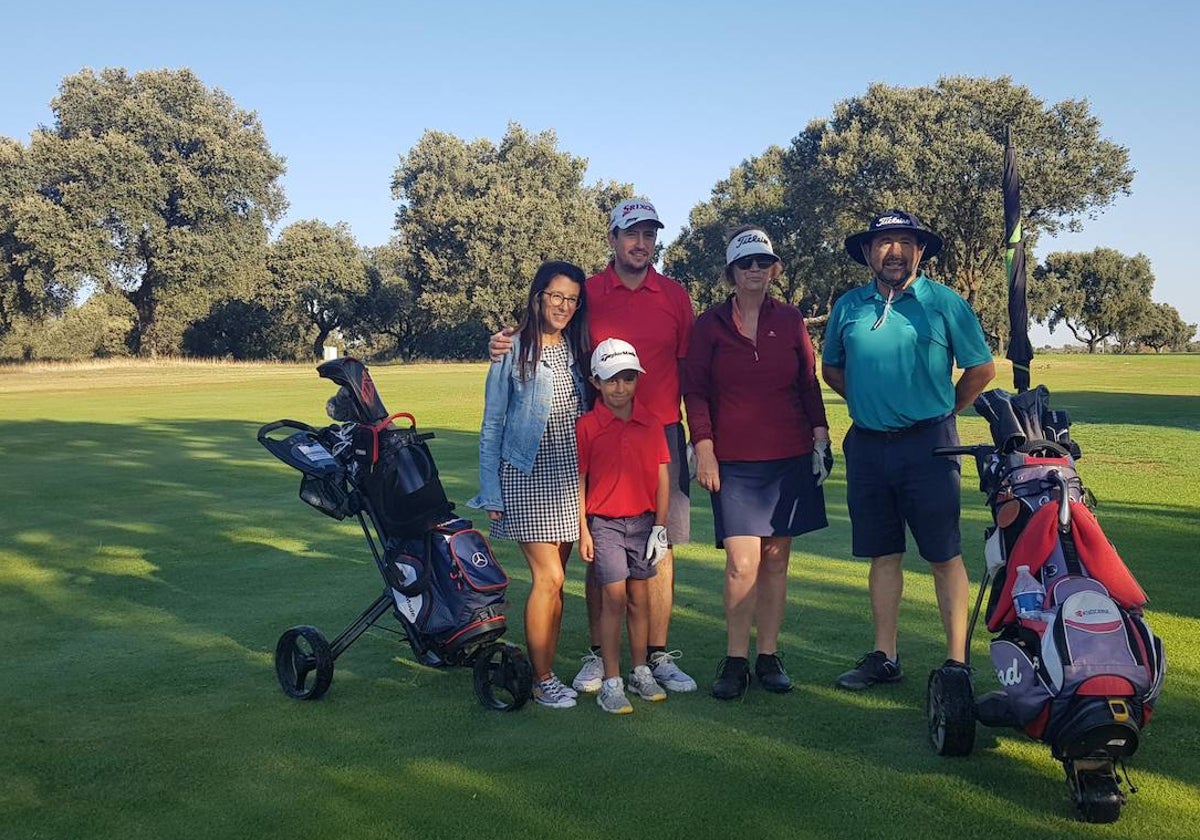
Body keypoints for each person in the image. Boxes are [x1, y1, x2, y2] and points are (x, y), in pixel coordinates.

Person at [490, 197, 698, 694]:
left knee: (660, 548)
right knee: (599, 543)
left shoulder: (674, 294)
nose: (641, 243)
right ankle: (597, 654)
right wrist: (509, 338)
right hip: (599, 431)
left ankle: (655, 655)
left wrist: (701, 436)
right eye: (632, 234)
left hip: (661, 430)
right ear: (612, 238)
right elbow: (549, 327)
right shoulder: (591, 292)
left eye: (649, 234)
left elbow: (691, 368)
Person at [821, 210, 996, 691]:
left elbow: (981, 369)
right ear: (867, 253)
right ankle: (885, 655)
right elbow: (831, 368)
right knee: (884, 553)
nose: (893, 251)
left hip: (930, 446)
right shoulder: (848, 306)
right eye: (883, 242)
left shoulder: (944, 302)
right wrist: (867, 401)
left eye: (904, 242)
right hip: (869, 446)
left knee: (943, 554)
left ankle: (957, 660)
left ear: (919, 251)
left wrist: (946, 411)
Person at [684, 227, 831, 700]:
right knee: (740, 565)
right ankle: (735, 660)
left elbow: (808, 384)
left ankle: (768, 656)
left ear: (774, 270)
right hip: (734, 462)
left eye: (763, 263)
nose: (754, 270)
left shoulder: (789, 321)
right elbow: (696, 392)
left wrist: (821, 437)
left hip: (787, 456)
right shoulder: (708, 325)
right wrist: (703, 446)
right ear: (731, 272)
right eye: (745, 263)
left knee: (776, 561)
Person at [468, 260, 591, 709]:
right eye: (555, 295)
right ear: (538, 296)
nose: (562, 306)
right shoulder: (512, 350)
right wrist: (490, 490)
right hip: (526, 476)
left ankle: (548, 670)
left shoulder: (577, 349)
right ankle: (540, 679)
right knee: (549, 577)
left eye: (571, 299)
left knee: (557, 584)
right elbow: (492, 423)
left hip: (570, 480)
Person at [577, 338, 672, 713]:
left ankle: (640, 670)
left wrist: (660, 528)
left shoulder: (651, 422)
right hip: (605, 526)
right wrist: (584, 530)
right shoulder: (587, 426)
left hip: (644, 523)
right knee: (613, 600)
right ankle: (612, 680)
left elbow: (662, 477)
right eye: (612, 379)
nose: (621, 387)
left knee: (640, 600)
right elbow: (581, 479)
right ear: (596, 382)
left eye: (629, 379)